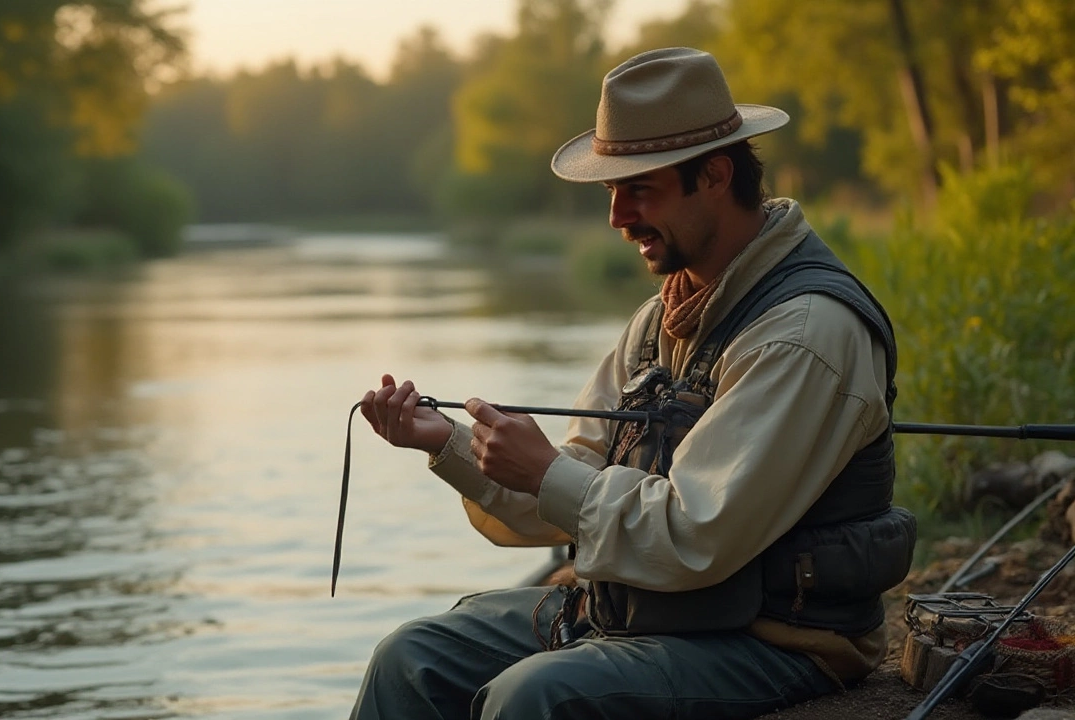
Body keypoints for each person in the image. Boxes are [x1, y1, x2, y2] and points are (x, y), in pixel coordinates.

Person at [352, 47, 916, 720]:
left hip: (773, 640)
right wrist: (447, 442)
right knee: (409, 660)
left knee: (531, 699)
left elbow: (694, 536)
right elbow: (567, 488)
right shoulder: (658, 318)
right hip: (639, 609)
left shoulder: (805, 333)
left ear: (713, 175)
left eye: (638, 189)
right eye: (610, 192)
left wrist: (550, 475)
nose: (617, 217)